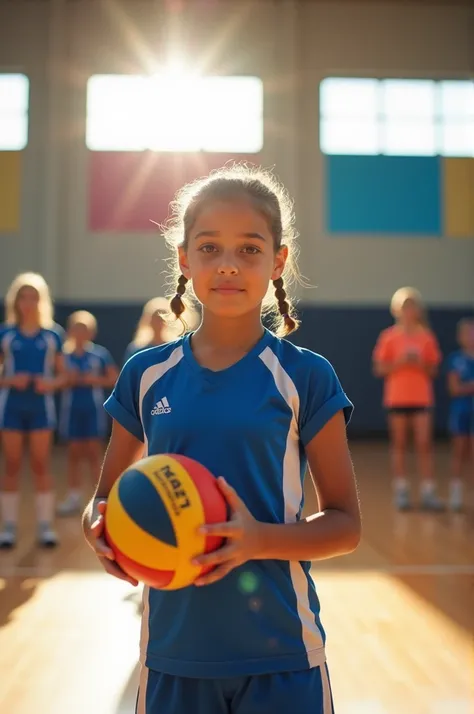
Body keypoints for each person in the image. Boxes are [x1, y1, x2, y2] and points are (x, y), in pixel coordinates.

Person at [83, 165, 361, 714]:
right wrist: (100, 528)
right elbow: (103, 499)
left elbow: (346, 525)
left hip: (284, 652)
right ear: (184, 257)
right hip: (172, 654)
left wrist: (258, 540)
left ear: (277, 261)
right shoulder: (146, 374)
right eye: (209, 248)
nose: (228, 264)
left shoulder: (306, 376)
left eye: (250, 249)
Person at [0, 272, 65, 547]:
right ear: (16, 301)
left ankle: (45, 527)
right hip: (11, 407)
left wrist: (48, 384)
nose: (28, 302)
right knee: (12, 465)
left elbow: (63, 376)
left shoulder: (53, 335)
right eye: (23, 297)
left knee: (41, 465)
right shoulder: (6, 333)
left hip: (41, 408)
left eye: (33, 297)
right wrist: (11, 380)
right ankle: (9, 528)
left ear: (41, 301)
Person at [372, 287, 443, 511]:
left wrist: (419, 363)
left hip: (421, 398)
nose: (409, 311)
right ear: (397, 309)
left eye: (413, 306)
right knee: (399, 444)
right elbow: (380, 368)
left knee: (424, 444)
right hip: (397, 398)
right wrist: (401, 361)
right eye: (405, 306)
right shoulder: (389, 337)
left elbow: (434, 370)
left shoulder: (426, 337)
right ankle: (401, 489)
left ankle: (428, 490)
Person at [57, 310, 118, 516]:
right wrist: (68, 379)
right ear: (70, 331)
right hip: (71, 410)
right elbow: (56, 379)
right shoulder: (63, 355)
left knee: (94, 453)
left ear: (92, 332)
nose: (80, 333)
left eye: (85, 329)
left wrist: (94, 380)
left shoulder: (99, 354)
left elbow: (113, 378)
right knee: (73, 453)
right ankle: (74, 497)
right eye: (76, 328)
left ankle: (98, 497)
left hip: (93, 410)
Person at [445, 317, 474, 511]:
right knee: (459, 450)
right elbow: (454, 389)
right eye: (466, 333)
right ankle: (455, 491)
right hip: (461, 411)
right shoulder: (455, 359)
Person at [123, 296, 199, 364]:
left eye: (161, 319)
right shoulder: (136, 349)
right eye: (155, 318)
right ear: (148, 321)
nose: (158, 323)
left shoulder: (176, 348)